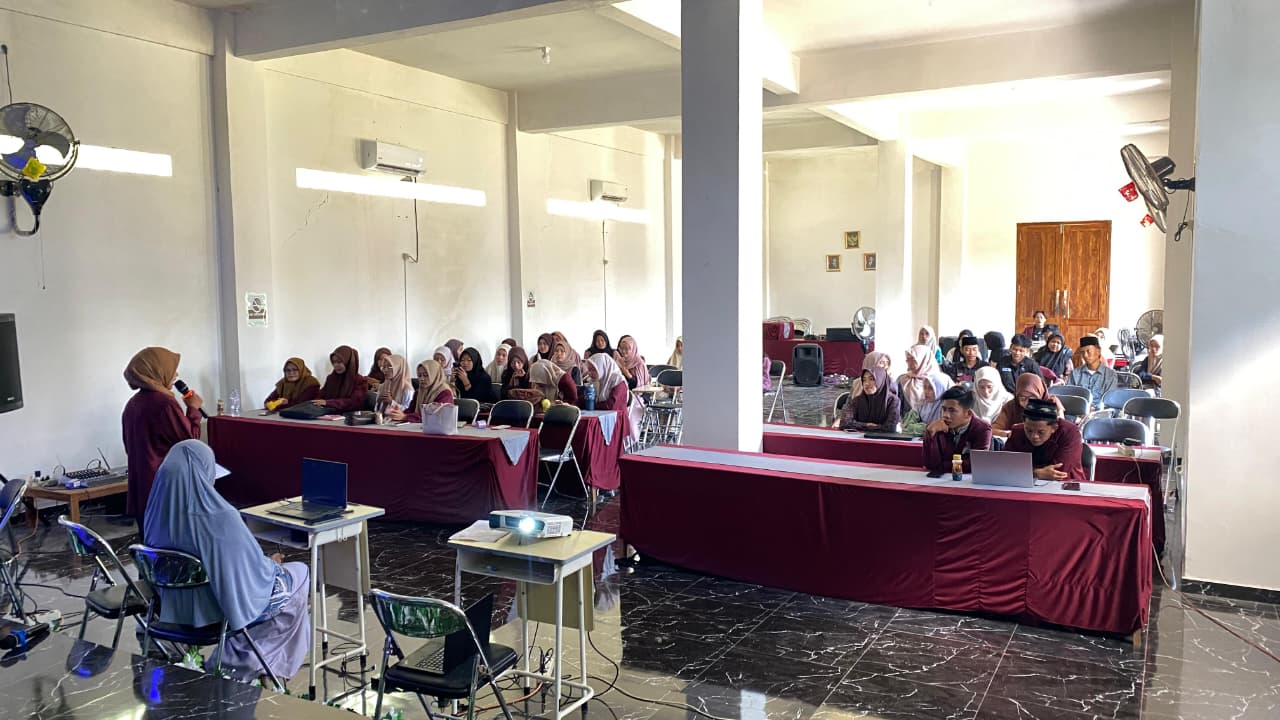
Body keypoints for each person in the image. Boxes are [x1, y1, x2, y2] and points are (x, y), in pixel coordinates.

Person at [144, 440, 310, 682]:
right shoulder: (220, 517)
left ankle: (250, 661)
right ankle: (248, 662)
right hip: (217, 611)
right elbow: (247, 579)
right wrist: (270, 565)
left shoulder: (154, 514)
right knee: (300, 575)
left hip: (171, 610)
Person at [122, 347, 203, 524]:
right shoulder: (164, 403)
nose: (176, 375)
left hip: (142, 485)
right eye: (172, 369)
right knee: (169, 536)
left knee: (150, 536)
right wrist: (193, 409)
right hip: (164, 485)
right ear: (157, 372)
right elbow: (190, 443)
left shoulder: (132, 404)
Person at [1003, 398, 1086, 482]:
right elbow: (1004, 465)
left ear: (1054, 428)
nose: (1034, 436)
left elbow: (1058, 472)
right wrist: (1036, 473)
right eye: (1029, 430)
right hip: (1022, 483)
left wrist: (1024, 471)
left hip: (1066, 483)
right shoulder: (1017, 431)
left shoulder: (1069, 432)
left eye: (1041, 432)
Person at [922, 386, 992, 474]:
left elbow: (976, 464)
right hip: (941, 479)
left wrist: (942, 466)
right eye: (944, 409)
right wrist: (930, 433)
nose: (945, 415)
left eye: (952, 410)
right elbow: (928, 463)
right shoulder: (937, 427)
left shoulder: (982, 429)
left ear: (968, 414)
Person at [992, 372, 1062, 438]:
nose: (1027, 403)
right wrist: (1009, 434)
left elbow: (1061, 429)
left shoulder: (1052, 403)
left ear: (1040, 394)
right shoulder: (1011, 406)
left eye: (1032, 398)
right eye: (1023, 398)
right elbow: (994, 430)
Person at [836, 368, 900, 431]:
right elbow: (844, 423)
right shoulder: (858, 400)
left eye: (871, 379)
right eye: (864, 380)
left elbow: (890, 427)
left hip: (883, 438)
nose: (866, 383)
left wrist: (859, 425)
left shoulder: (893, 401)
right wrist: (866, 425)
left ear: (880, 380)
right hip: (859, 437)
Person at [1068, 336, 1118, 410]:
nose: (1085, 355)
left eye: (1088, 351)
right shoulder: (1075, 374)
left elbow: (1110, 400)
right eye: (1082, 352)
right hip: (1079, 411)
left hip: (1101, 412)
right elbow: (1070, 397)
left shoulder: (1110, 375)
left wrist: (1095, 409)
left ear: (1098, 351)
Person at [899, 344, 950, 416]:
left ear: (924, 360)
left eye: (914, 360)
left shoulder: (940, 381)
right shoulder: (903, 380)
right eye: (908, 360)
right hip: (908, 421)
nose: (910, 364)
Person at [314, 345, 368, 412]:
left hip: (349, 415)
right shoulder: (331, 378)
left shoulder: (360, 381)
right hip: (329, 414)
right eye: (334, 362)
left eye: (339, 362)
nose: (336, 365)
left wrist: (328, 403)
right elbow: (321, 395)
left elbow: (355, 403)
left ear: (348, 362)